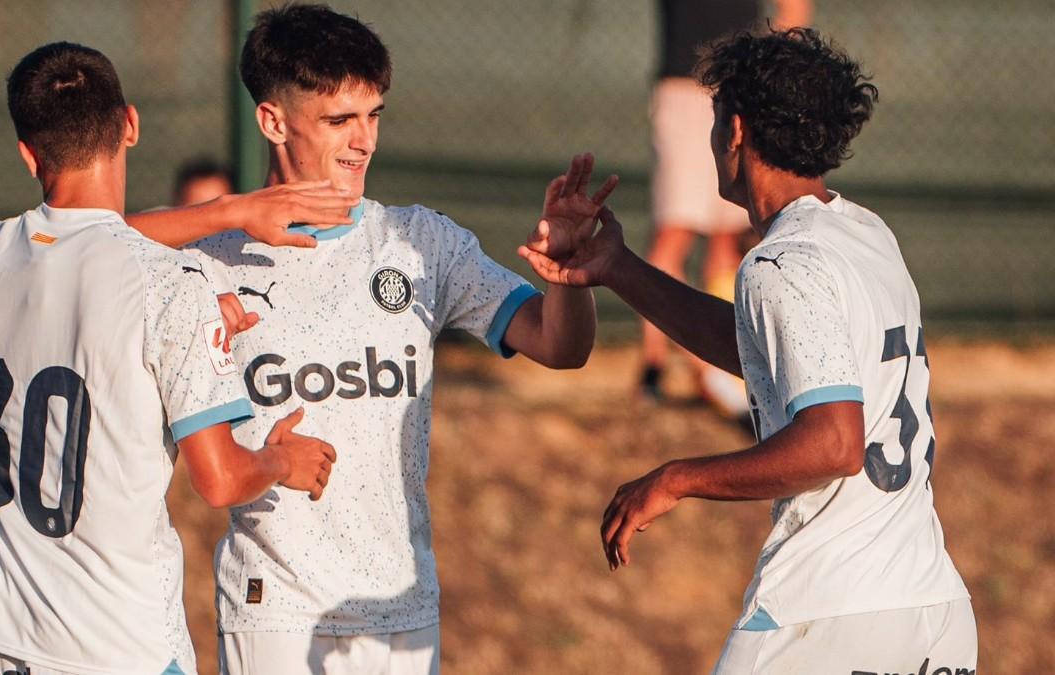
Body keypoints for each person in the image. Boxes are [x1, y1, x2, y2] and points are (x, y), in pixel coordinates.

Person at [130, 5, 613, 673]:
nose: (363, 141)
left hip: (402, 609)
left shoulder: (420, 240)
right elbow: (85, 247)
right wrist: (232, 213)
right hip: (275, 611)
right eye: (338, 121)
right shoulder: (210, 255)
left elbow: (563, 346)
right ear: (273, 121)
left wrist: (569, 273)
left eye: (373, 115)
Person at [519, 28, 975, 674]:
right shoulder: (865, 233)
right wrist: (618, 268)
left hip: (827, 621)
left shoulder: (781, 261)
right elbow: (766, 353)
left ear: (735, 131)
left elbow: (834, 443)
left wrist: (676, 478)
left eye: (714, 124)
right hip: (935, 612)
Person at [0, 42, 340, 675]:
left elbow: (84, 247)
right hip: (118, 645)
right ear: (130, 124)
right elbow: (219, 481)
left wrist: (226, 217)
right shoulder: (172, 286)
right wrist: (281, 460)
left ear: (28, 154)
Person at [641, 0, 812, 409]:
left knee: (727, 240)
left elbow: (793, 9)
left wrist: (777, 76)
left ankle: (724, 374)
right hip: (683, 88)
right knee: (673, 236)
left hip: (739, 90)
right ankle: (654, 368)